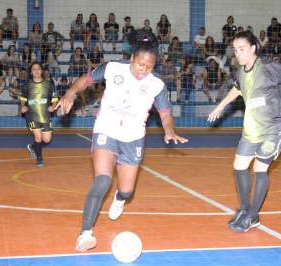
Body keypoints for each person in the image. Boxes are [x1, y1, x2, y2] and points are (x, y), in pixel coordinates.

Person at [56, 29, 188, 252]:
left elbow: (165, 114)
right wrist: (70, 94)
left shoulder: (157, 85)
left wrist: (169, 130)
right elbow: (86, 80)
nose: (143, 70)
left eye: (149, 67)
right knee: (103, 181)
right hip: (106, 130)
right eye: (140, 65)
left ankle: (120, 198)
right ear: (132, 58)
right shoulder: (112, 68)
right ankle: (86, 233)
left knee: (127, 191)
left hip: (133, 138)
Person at [208, 31, 281, 233]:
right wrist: (220, 106)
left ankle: (251, 216)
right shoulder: (241, 71)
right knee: (239, 166)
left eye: (241, 49)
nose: (238, 53)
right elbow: (237, 89)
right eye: (235, 50)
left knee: (260, 168)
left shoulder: (267, 67)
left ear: (252, 48)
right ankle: (245, 210)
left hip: (275, 128)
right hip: (252, 128)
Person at [20, 62, 58, 167]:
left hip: (45, 114)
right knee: (38, 137)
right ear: (31, 72)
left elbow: (54, 99)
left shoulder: (49, 83)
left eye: (38, 69)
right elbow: (23, 98)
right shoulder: (27, 85)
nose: (36, 71)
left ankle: (33, 147)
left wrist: (53, 106)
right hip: (31, 114)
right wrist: (23, 106)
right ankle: (39, 158)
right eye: (34, 69)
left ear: (42, 71)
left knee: (47, 140)